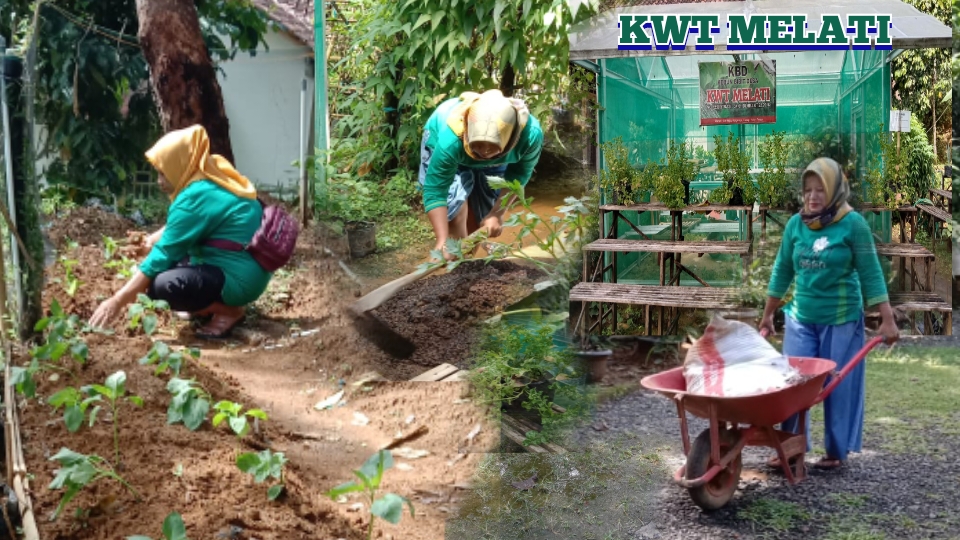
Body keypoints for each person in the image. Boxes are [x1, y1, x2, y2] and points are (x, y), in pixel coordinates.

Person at [759, 157, 899, 470]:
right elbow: (782, 270)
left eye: (820, 189)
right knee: (792, 385)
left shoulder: (853, 225)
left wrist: (887, 319)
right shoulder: (797, 225)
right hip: (801, 319)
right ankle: (791, 449)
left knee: (838, 387)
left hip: (841, 320)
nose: (812, 196)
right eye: (808, 190)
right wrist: (769, 313)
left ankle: (835, 452)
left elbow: (871, 274)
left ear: (835, 190)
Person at [89, 125, 271, 339]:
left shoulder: (195, 196)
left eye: (163, 173)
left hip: (239, 279)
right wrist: (149, 241)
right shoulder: (210, 174)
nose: (159, 181)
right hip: (248, 268)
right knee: (164, 271)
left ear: (179, 165)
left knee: (162, 287)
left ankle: (229, 311)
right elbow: (183, 227)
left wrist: (117, 301)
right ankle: (206, 305)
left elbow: (164, 253)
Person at [418, 89, 543, 260]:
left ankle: (466, 267)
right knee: (454, 215)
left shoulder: (529, 136)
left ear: (510, 140)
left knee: (481, 222)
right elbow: (436, 189)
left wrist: (497, 213)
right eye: (479, 145)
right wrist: (442, 240)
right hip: (451, 145)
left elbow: (518, 176)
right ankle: (456, 272)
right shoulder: (451, 138)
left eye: (491, 146)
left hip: (496, 158)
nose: (484, 152)